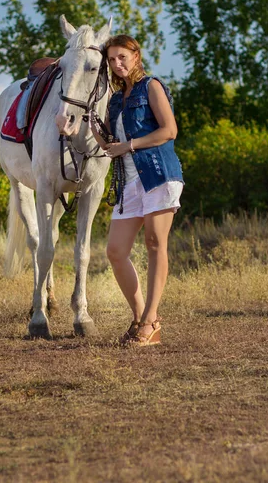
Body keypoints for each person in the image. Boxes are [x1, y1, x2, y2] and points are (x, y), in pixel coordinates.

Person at [90, 35, 184, 346]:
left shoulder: (151, 86)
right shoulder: (116, 100)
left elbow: (169, 131)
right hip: (130, 182)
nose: (117, 64)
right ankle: (144, 316)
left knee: (155, 242)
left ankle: (149, 320)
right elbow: (111, 148)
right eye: (112, 60)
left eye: (122, 57)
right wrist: (92, 132)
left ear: (135, 55)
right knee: (115, 251)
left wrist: (130, 145)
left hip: (158, 174)